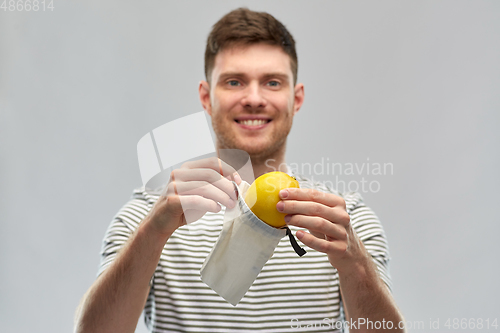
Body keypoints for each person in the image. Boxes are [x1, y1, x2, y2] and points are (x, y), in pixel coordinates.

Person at [74, 8, 405, 333]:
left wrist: (356, 264)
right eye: (234, 82)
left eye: (273, 83)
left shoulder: (344, 221)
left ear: (297, 98)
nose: (253, 98)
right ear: (206, 97)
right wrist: (152, 234)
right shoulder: (152, 214)